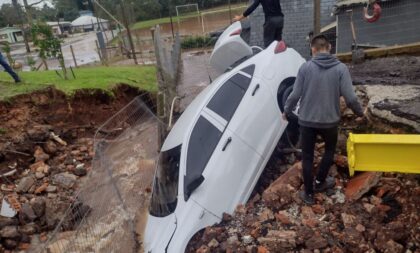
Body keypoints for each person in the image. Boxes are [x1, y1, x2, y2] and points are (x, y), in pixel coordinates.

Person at [283, 34, 364, 205]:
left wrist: (286, 111)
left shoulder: (305, 68)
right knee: (329, 151)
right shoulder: (341, 68)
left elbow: (295, 95)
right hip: (330, 122)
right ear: (329, 48)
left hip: (306, 122)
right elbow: (350, 97)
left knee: (307, 156)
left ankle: (309, 194)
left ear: (313, 49)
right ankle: (320, 182)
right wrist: (360, 113)